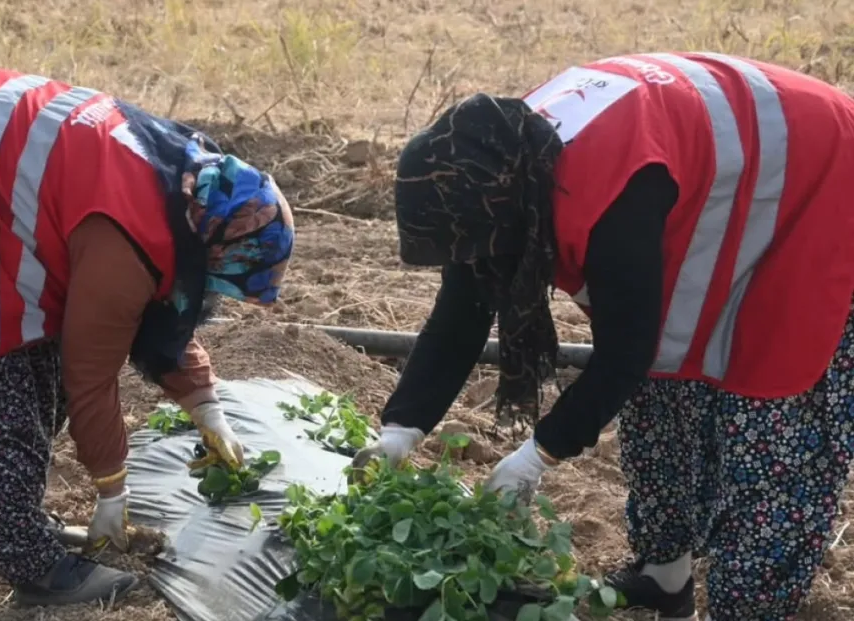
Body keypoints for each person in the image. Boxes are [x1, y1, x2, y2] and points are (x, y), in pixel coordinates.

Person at [352, 52, 854, 621]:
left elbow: (626, 352)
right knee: (669, 376)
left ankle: (752, 607)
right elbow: (462, 308)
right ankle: (665, 577)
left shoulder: (611, 191)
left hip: (818, 185)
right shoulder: (502, 167)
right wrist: (402, 427)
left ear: (506, 212)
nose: (475, 261)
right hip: (722, 180)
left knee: (771, 419)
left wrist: (538, 454)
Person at [0, 69, 295, 607]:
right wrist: (111, 488)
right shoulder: (126, 237)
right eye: (224, 277)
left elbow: (159, 305)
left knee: (37, 369)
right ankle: (31, 566)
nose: (214, 290)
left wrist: (205, 405)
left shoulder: (189, 183)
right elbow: (91, 373)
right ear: (218, 246)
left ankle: (5, 523)